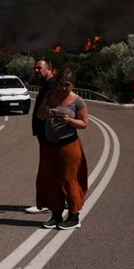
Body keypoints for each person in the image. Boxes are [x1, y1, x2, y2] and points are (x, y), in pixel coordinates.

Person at [35, 68, 89, 230]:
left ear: (73, 85)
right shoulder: (50, 95)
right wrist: (47, 111)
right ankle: (56, 215)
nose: (63, 88)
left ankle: (74, 216)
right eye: (61, 84)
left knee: (69, 179)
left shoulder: (78, 101)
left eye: (67, 85)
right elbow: (39, 115)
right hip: (49, 145)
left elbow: (84, 123)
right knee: (51, 180)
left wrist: (70, 121)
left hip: (69, 145)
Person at [26, 58, 58, 213]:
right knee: (51, 167)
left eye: (39, 68)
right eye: (35, 68)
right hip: (45, 133)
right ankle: (57, 200)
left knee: (47, 168)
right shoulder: (47, 85)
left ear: (48, 68)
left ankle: (46, 203)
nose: (36, 71)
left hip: (48, 134)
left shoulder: (52, 85)